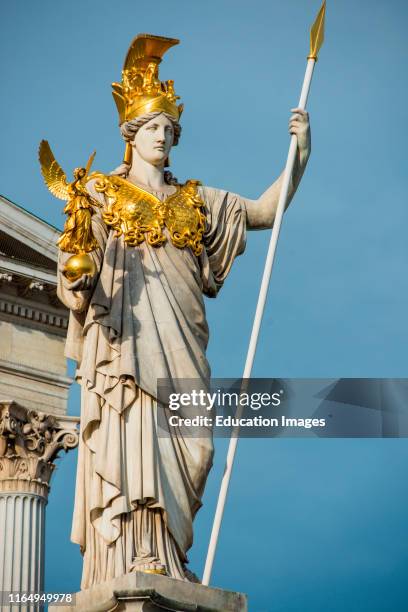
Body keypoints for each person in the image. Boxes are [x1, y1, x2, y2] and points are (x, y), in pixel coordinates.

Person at [56, 34, 311, 589]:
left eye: (169, 131)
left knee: (194, 446)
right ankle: (137, 553)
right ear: (131, 134)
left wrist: (299, 155)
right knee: (138, 437)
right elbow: (77, 263)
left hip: (182, 344)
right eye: (152, 128)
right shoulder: (100, 194)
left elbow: (265, 212)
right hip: (127, 344)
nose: (162, 138)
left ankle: (172, 553)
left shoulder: (199, 201)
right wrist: (76, 282)